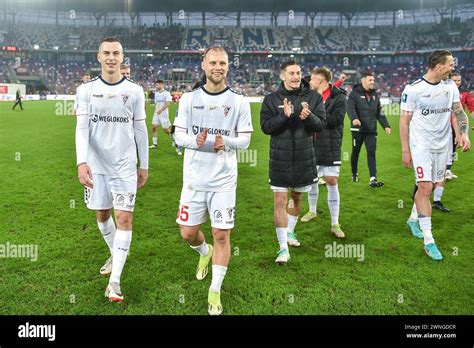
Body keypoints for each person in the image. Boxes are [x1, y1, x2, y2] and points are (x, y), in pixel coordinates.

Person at [173, 46, 253, 315]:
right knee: (187, 233)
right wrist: (193, 141)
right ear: (204, 65)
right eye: (213, 62)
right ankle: (203, 252)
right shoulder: (188, 99)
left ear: (228, 66)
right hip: (194, 180)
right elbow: (178, 136)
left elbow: (244, 140)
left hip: (223, 181)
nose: (217, 67)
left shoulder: (239, 102)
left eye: (222, 62)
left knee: (222, 233)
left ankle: (215, 290)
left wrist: (225, 142)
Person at [75, 37, 149, 301]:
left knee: (125, 218)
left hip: (125, 167)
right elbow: (82, 128)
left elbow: (140, 129)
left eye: (116, 53)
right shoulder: (85, 91)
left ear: (122, 57)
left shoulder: (135, 91)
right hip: (96, 167)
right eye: (106, 53)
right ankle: (114, 252)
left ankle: (115, 282)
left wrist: (144, 164)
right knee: (102, 215)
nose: (111, 57)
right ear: (98, 57)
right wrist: (81, 161)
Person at [400, 49, 470, 261]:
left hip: (443, 145)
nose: (453, 68)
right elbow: (404, 121)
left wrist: (463, 133)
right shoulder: (413, 89)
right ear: (439, 66)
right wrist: (406, 149)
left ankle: (413, 219)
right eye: (450, 64)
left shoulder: (450, 87)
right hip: (421, 145)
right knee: (425, 187)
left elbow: (458, 111)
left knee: (432, 186)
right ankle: (429, 241)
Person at [260, 60, 326, 265]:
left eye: (298, 73)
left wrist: (309, 117)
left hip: (304, 159)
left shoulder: (313, 98)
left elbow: (321, 125)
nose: (296, 76)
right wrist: (283, 116)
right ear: (282, 76)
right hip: (280, 159)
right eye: (291, 73)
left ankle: (290, 232)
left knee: (297, 199)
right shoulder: (271, 99)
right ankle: (282, 249)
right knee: (279, 201)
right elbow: (266, 127)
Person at [300, 67, 346, 239]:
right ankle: (312, 211)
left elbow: (337, 120)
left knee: (331, 180)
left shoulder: (339, 97)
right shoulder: (309, 96)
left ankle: (335, 223)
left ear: (320, 81)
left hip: (330, 145)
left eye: (312, 79)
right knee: (312, 179)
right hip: (311, 143)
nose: (309, 81)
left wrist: (314, 116)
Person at [347, 72, 391, 187]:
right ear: (363, 81)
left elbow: (379, 113)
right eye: (370, 80)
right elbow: (350, 108)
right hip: (358, 130)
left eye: (373, 80)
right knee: (355, 152)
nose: (373, 82)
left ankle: (373, 178)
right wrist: (354, 119)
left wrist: (386, 125)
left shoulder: (375, 95)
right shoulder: (354, 94)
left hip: (371, 130)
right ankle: (354, 173)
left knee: (371, 153)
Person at [149, 79, 173, 149]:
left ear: (161, 85)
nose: (156, 86)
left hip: (163, 114)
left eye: (157, 85)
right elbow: (156, 103)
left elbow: (168, 103)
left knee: (166, 129)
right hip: (156, 113)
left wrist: (161, 110)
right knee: (154, 127)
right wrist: (155, 111)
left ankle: (174, 138)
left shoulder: (166, 93)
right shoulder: (156, 93)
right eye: (155, 85)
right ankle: (154, 144)